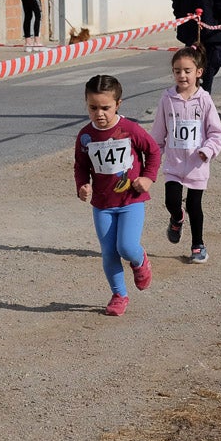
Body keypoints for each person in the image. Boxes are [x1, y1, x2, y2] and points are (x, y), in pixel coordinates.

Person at [74, 75, 161, 316]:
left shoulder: (129, 129)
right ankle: (119, 295)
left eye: (105, 108)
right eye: (93, 108)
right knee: (109, 252)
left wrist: (148, 178)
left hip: (130, 200)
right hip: (102, 204)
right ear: (86, 104)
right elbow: (80, 165)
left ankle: (140, 260)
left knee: (126, 246)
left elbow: (153, 151)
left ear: (118, 104)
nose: (99, 113)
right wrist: (82, 185)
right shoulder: (85, 136)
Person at [150, 45, 221, 264]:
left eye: (187, 71)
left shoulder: (204, 100)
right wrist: (152, 156)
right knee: (171, 201)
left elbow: (216, 132)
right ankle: (176, 218)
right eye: (177, 71)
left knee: (194, 205)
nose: (181, 75)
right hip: (174, 163)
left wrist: (207, 150)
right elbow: (158, 132)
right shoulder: (167, 99)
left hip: (196, 164)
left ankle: (198, 245)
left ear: (198, 72)